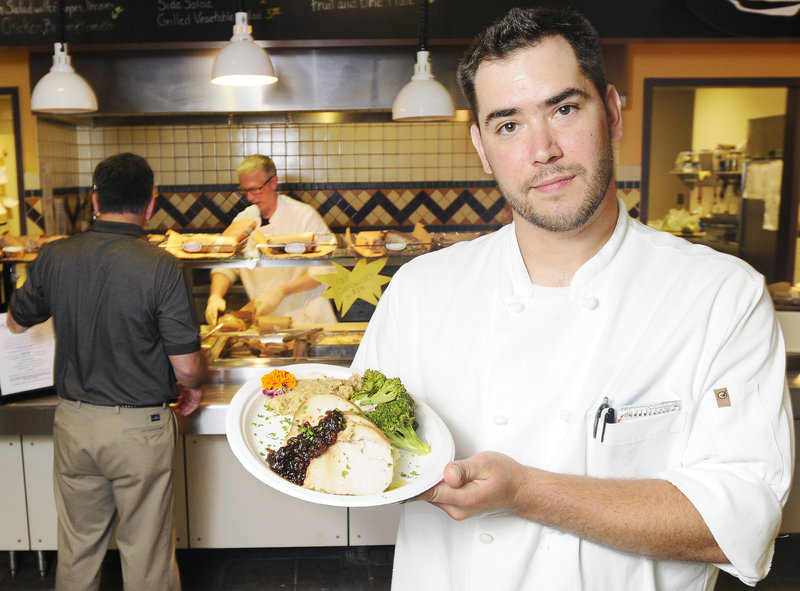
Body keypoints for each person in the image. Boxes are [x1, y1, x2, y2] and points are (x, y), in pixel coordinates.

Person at [351, 7, 794, 591]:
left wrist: (527, 493)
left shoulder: (718, 295)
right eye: (508, 124)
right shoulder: (421, 291)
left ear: (611, 113)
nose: (543, 150)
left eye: (564, 109)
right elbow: (360, 444)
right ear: (482, 147)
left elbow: (736, 522)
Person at [7, 153, 207, 591]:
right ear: (151, 204)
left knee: (77, 551)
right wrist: (192, 388)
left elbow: (16, 322)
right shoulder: (161, 265)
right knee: (147, 554)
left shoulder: (54, 255)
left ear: (94, 200)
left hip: (75, 422)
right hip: (139, 427)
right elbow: (188, 366)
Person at [204, 154, 337, 326]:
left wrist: (281, 292)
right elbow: (226, 268)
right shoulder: (243, 219)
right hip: (265, 323)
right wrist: (215, 296)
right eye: (245, 190)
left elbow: (325, 270)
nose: (250, 197)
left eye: (255, 189)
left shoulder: (304, 215)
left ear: (274, 182)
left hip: (307, 319)